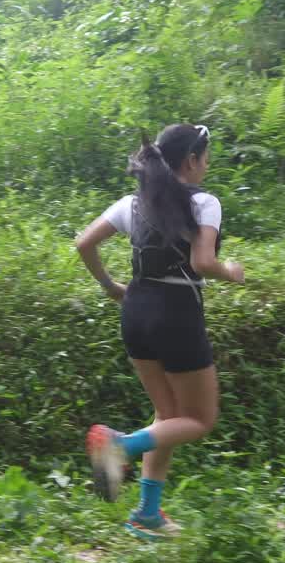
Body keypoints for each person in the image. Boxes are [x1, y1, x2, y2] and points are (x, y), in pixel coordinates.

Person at [75, 124, 245, 540]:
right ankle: (120, 446)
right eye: (206, 157)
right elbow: (203, 263)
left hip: (135, 309)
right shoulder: (204, 203)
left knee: (167, 417)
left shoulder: (131, 203)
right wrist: (231, 271)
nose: (208, 165)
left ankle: (147, 515)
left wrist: (111, 287)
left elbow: (84, 244)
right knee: (199, 419)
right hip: (176, 313)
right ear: (191, 160)